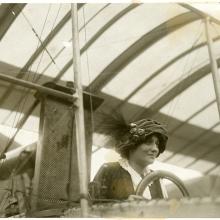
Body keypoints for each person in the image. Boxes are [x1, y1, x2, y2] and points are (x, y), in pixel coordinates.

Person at [89, 117, 168, 201]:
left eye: (157, 144)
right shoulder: (109, 170)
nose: (155, 149)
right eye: (148, 142)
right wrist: (124, 206)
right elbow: (90, 208)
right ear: (132, 145)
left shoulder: (156, 179)